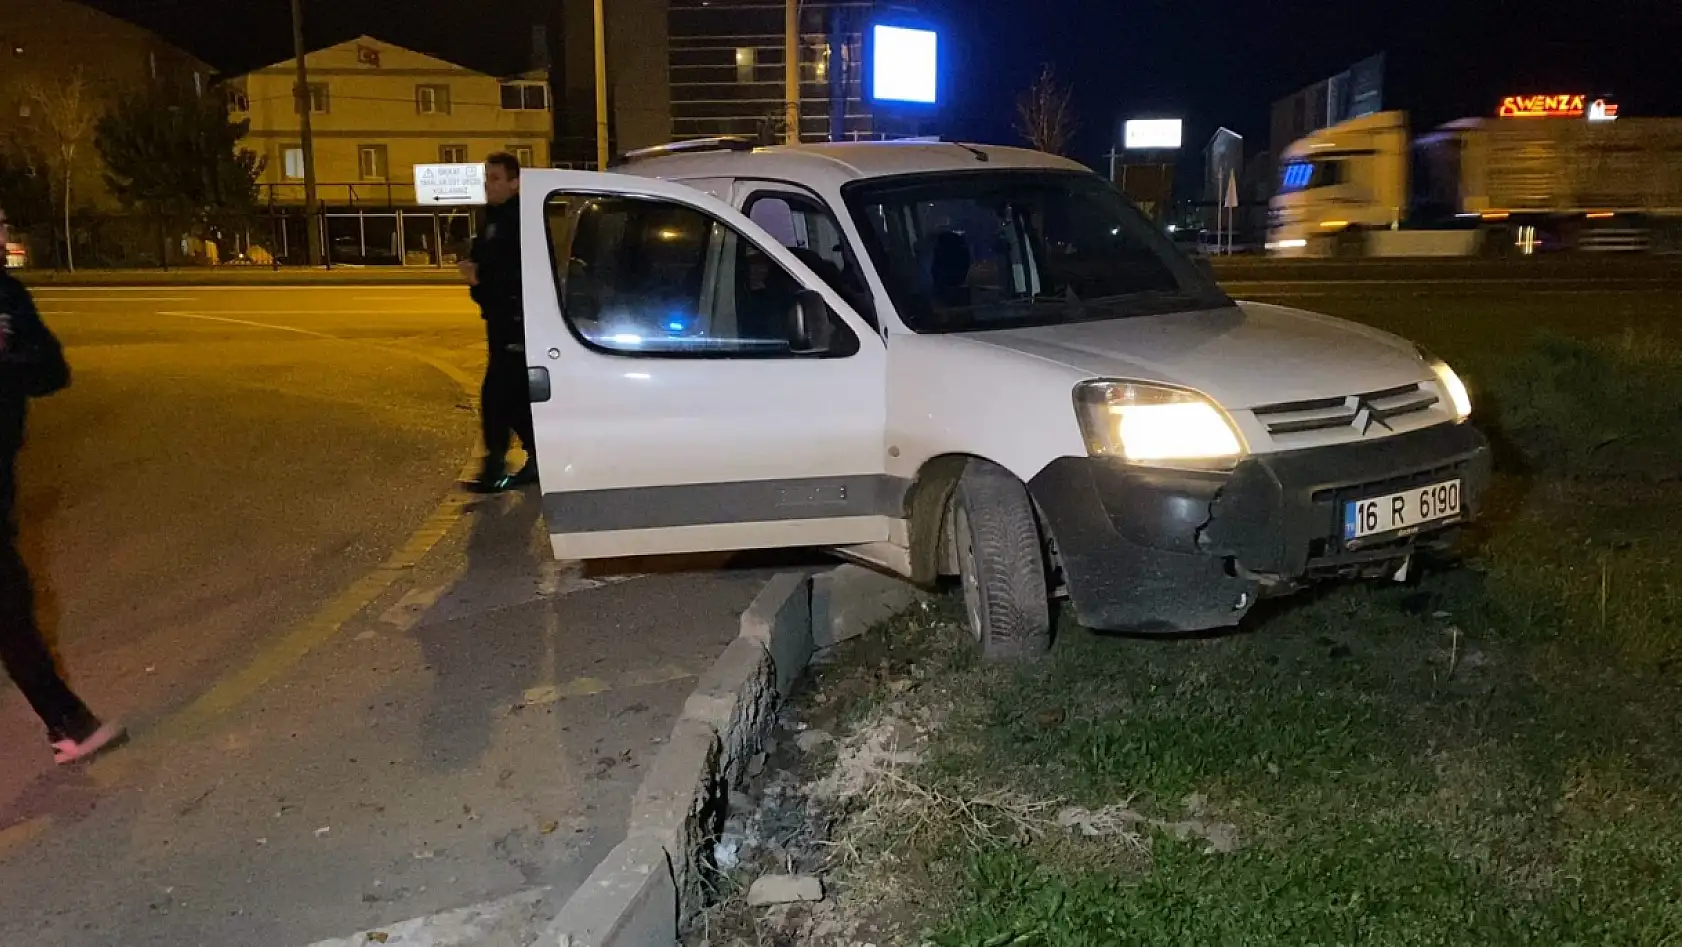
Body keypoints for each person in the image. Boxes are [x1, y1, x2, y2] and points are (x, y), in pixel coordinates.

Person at [0, 204, 125, 764]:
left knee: (12, 608)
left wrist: (8, 359)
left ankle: (67, 724)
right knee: (9, 608)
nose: (4, 234)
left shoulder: (8, 297)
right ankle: (67, 723)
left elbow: (53, 371)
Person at [458, 153, 537, 493]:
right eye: (486, 178)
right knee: (515, 396)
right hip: (499, 318)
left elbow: (513, 274)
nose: (487, 185)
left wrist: (478, 280)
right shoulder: (492, 217)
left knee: (496, 395)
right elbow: (486, 262)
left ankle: (495, 468)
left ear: (514, 182)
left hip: (515, 318)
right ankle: (537, 458)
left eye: (494, 178)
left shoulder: (519, 219)